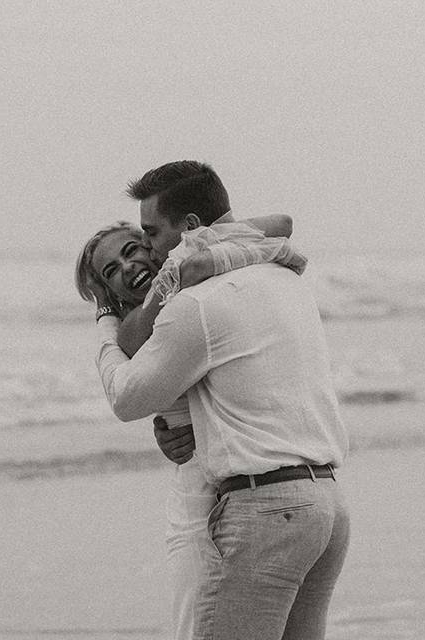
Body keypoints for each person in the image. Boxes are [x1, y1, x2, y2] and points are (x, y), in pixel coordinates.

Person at [91, 161, 350, 640]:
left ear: (190, 230)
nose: (148, 248)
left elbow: (126, 397)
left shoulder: (196, 304)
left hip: (267, 513)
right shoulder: (283, 277)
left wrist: (104, 319)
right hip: (326, 507)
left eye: (150, 233)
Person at [76, 215, 305, 640]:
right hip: (200, 496)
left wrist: (190, 251)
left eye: (132, 250)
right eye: (111, 272)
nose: (127, 267)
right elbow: (130, 393)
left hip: (247, 484)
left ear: (151, 242)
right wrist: (108, 312)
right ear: (111, 292)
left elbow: (280, 223)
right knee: (195, 625)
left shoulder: (189, 281)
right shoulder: (138, 327)